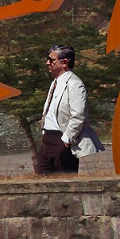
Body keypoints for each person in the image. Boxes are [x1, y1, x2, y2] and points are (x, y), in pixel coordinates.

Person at [36, 45, 89, 175]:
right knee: (43, 183)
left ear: (64, 62)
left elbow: (78, 115)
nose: (47, 63)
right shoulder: (55, 82)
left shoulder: (75, 84)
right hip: (47, 139)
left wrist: (66, 141)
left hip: (61, 139)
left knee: (65, 185)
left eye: (51, 59)